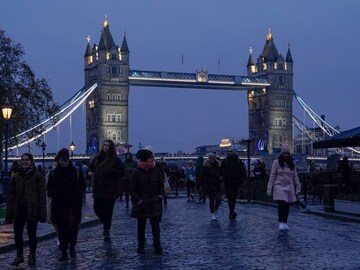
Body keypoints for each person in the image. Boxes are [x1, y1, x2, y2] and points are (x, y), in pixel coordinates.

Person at [5, 153, 46, 266]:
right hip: (19, 209)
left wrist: (42, 213)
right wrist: (10, 212)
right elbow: (11, 195)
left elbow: (42, 196)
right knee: (18, 234)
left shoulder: (38, 176)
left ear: (31, 161)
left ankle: (32, 256)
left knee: (32, 234)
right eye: (22, 160)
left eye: (26, 160)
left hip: (32, 209)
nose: (24, 161)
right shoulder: (16, 176)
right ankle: (19, 256)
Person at [47, 148, 86, 261]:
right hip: (59, 205)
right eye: (61, 160)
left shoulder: (76, 171)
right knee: (61, 229)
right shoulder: (53, 173)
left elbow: (82, 185)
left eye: (65, 159)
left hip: (73, 204)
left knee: (73, 228)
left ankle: (72, 247)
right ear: (58, 160)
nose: (63, 162)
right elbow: (49, 187)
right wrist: (52, 193)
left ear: (68, 159)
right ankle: (63, 251)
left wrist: (78, 194)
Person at [129, 148, 164, 255]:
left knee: (155, 226)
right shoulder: (136, 172)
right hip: (142, 203)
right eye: (150, 157)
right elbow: (132, 188)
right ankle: (141, 246)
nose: (152, 159)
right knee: (141, 226)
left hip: (154, 201)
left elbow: (161, 184)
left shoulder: (156, 170)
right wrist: (138, 200)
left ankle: (157, 246)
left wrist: (160, 196)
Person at [88, 139, 124, 241]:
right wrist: (90, 172)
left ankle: (106, 230)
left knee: (108, 212)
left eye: (108, 145)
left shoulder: (116, 160)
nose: (105, 147)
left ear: (111, 147)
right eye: (104, 145)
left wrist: (109, 171)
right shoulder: (97, 158)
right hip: (98, 188)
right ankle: (105, 222)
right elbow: (91, 168)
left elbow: (122, 172)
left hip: (110, 189)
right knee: (96, 207)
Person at [267, 144, 301, 231]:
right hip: (279, 185)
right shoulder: (276, 162)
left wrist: (298, 187)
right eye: (284, 153)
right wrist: (269, 187)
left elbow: (295, 176)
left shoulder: (292, 163)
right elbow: (272, 175)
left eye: (287, 153)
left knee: (287, 205)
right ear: (281, 153)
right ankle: (281, 222)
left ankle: (285, 222)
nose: (286, 155)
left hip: (289, 187)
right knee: (282, 204)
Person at [221, 148, 246, 220]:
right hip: (228, 181)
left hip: (236, 181)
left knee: (233, 197)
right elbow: (221, 170)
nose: (229, 153)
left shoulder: (239, 161)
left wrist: (242, 180)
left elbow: (242, 172)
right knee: (230, 196)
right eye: (229, 152)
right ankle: (231, 212)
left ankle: (231, 211)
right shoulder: (225, 161)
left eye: (231, 152)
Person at [202, 152, 222, 220]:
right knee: (211, 200)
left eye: (212, 158)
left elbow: (221, 173)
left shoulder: (218, 165)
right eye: (209, 158)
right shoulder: (206, 166)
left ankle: (216, 209)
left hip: (217, 183)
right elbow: (203, 175)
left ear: (214, 158)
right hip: (209, 184)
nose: (210, 159)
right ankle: (212, 213)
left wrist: (220, 177)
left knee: (218, 199)